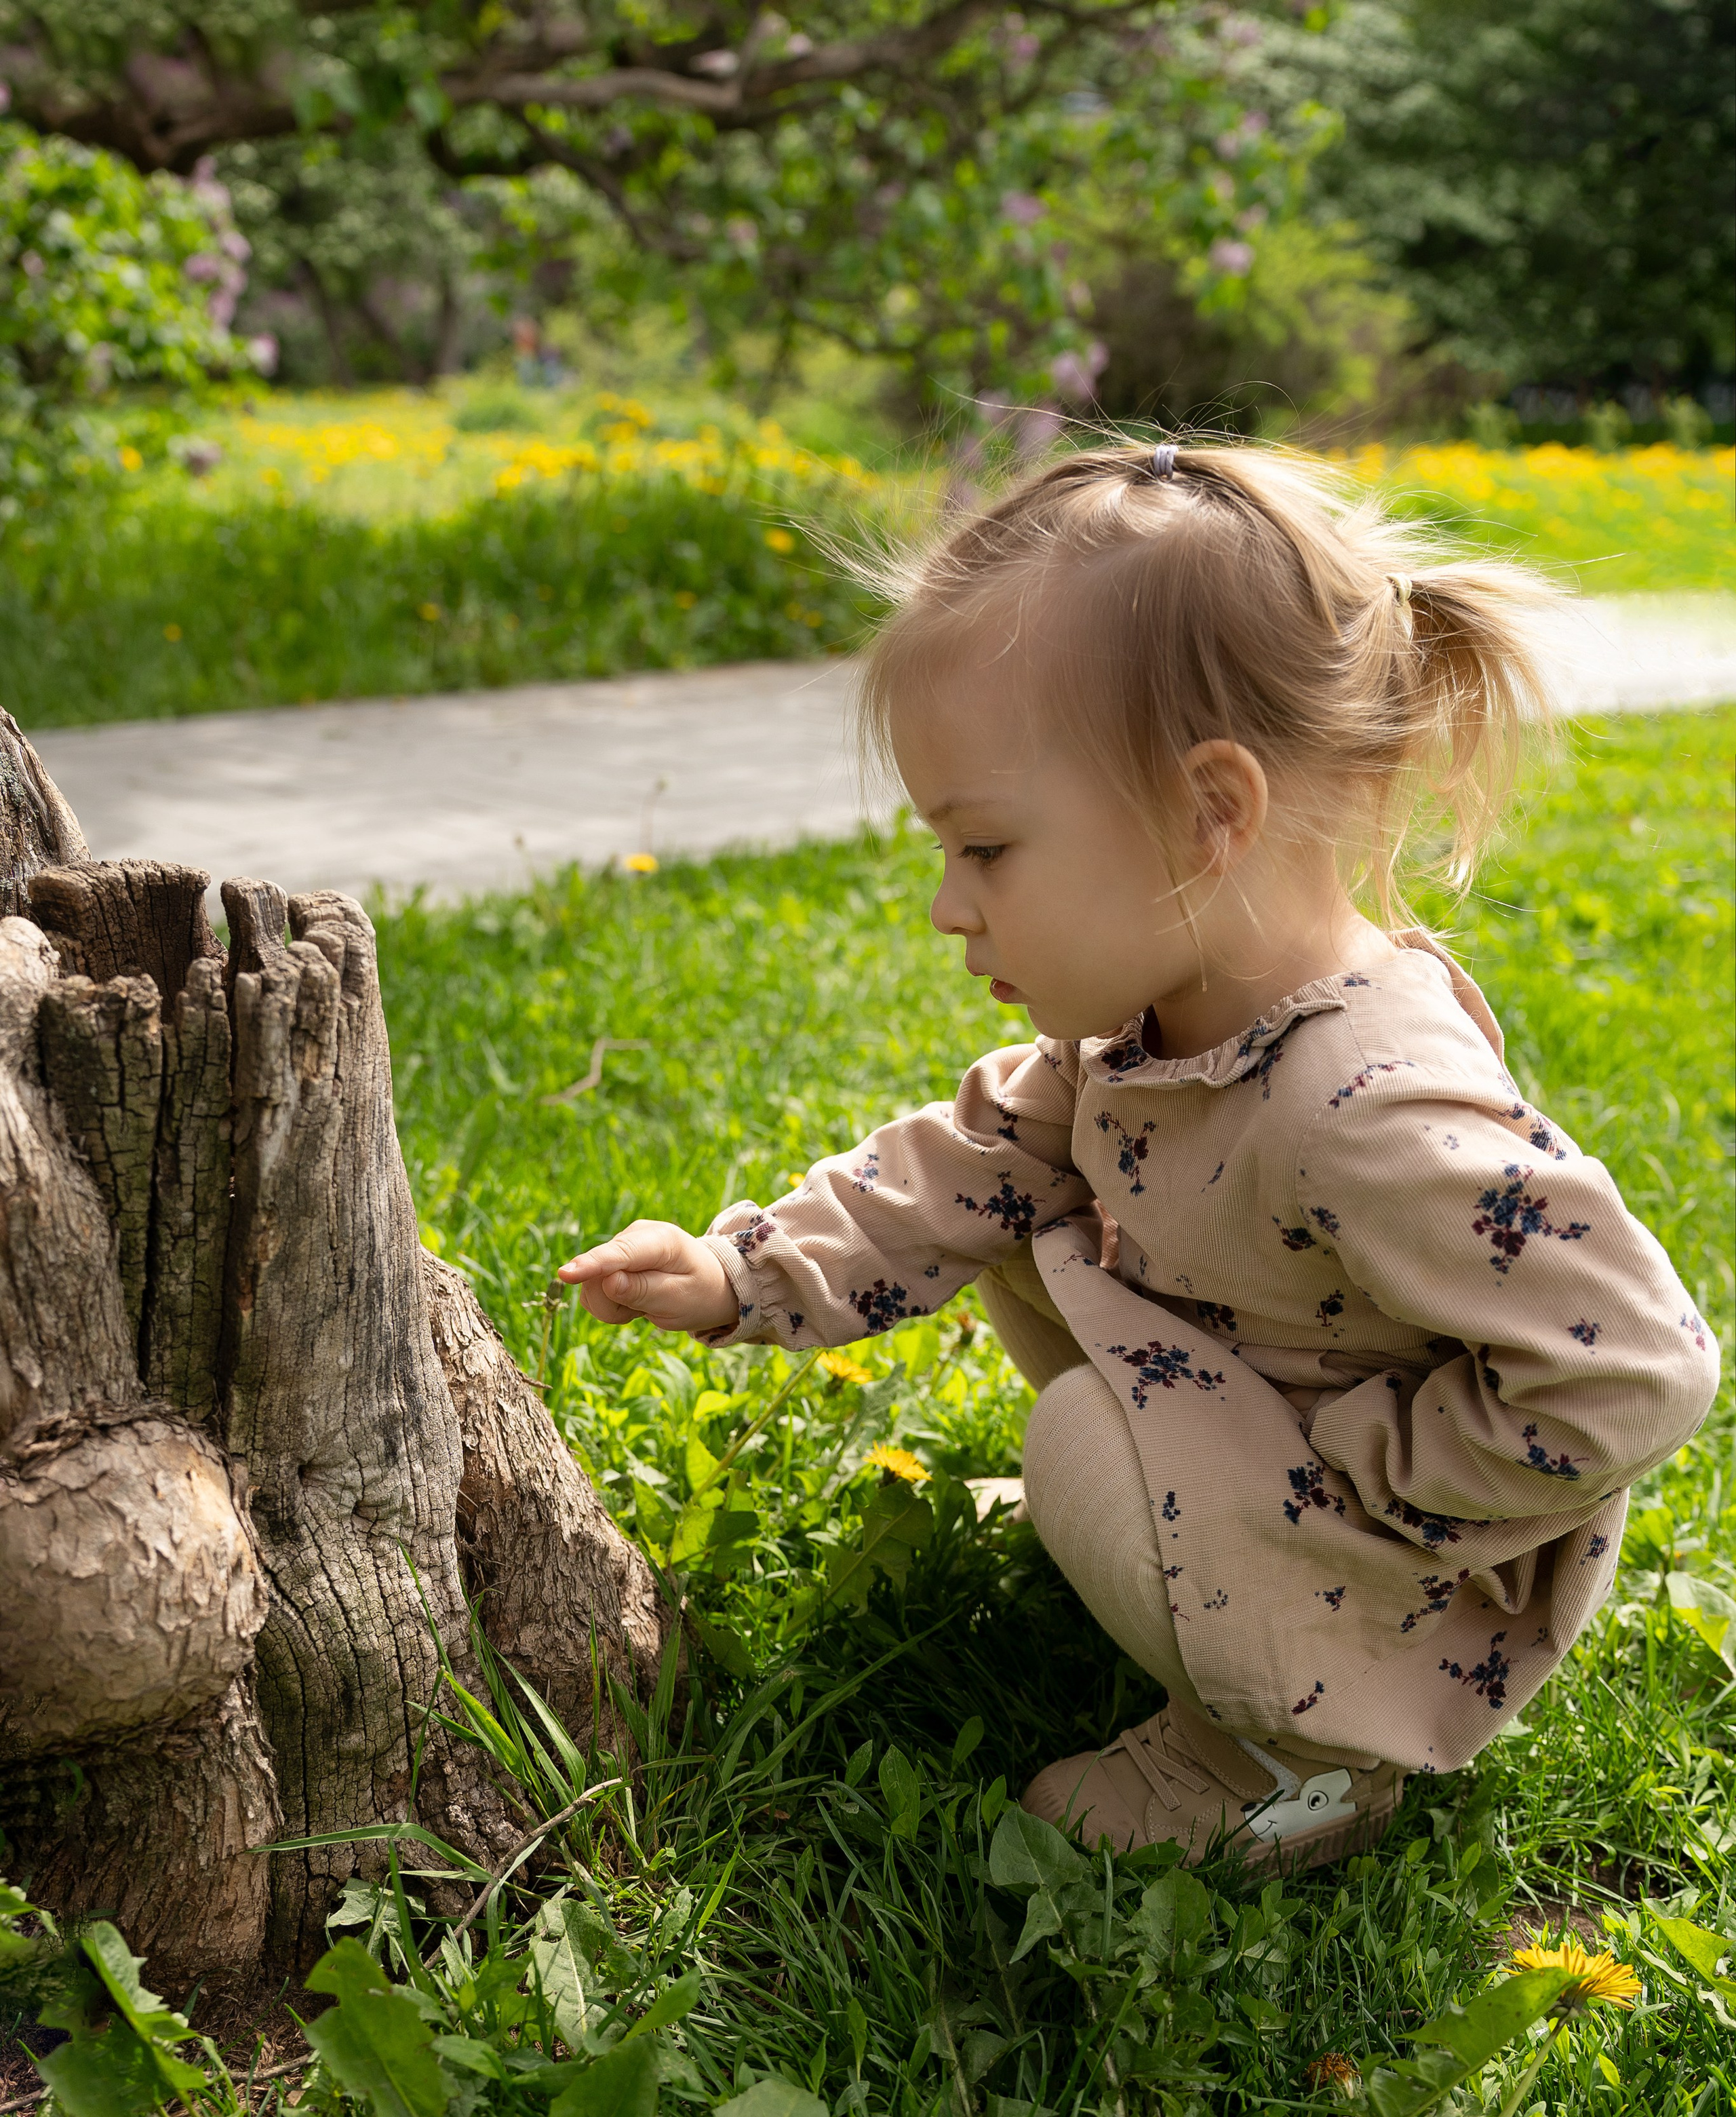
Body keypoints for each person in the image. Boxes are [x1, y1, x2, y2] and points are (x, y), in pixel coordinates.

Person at [559, 442, 1720, 1871]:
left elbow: (1637, 1366)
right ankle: (1164, 1540)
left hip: (1404, 1589)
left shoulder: (1363, 1106)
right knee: (1032, 1214)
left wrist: (1367, 1468)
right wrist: (740, 1271)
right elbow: (975, 1157)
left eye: (986, 849)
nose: (947, 905)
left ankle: (1292, 1765)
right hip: (1281, 1465)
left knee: (1075, 1431)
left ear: (1210, 815)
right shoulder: (1167, 1024)